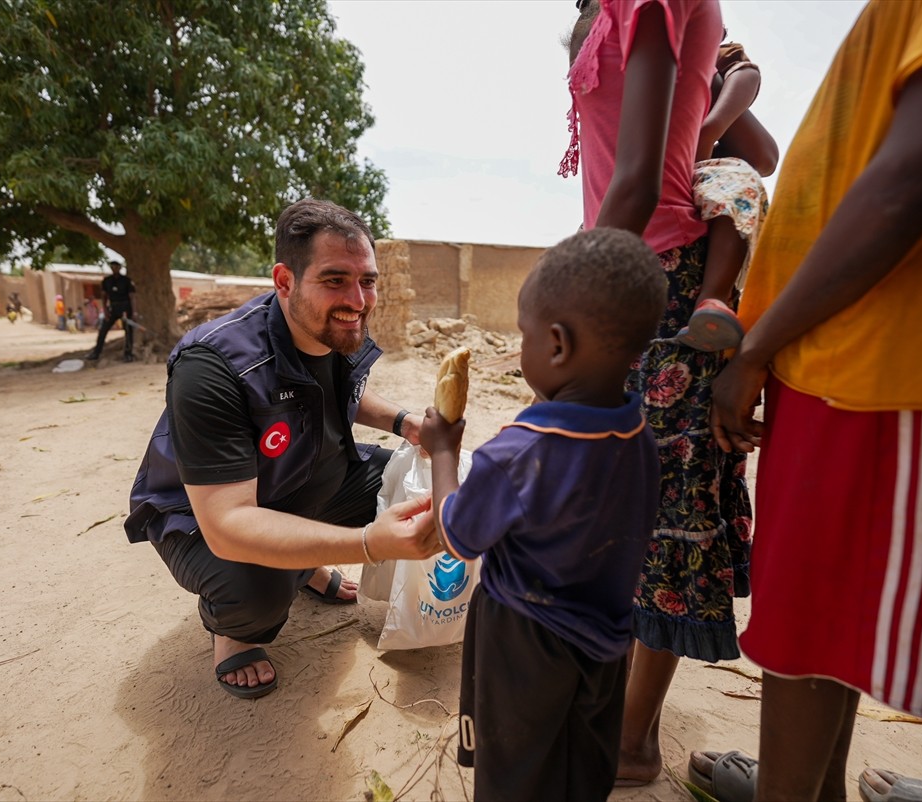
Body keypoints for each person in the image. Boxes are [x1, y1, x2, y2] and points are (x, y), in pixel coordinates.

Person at [693, 1, 922, 799]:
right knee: (805, 641)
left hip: (878, 362)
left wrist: (754, 350)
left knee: (825, 646)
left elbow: (917, 176)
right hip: (827, 352)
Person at [125, 198, 441, 700]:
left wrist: (404, 423)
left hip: (307, 480)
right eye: (335, 279)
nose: (358, 299)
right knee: (257, 592)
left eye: (368, 280)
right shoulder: (212, 365)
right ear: (285, 280)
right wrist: (366, 544)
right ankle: (231, 629)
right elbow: (229, 525)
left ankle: (303, 561)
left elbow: (344, 392)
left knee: (409, 483)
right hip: (202, 521)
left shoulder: (337, 324)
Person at [559, 0, 756, 786]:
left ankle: (634, 740)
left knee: (667, 521)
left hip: (656, 284)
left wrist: (569, 298)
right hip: (640, 274)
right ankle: (620, 718)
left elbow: (642, 179)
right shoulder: (620, 15)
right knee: (633, 515)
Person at [419, 227, 667, 802]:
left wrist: (443, 451)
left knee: (512, 771)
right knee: (583, 765)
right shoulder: (638, 437)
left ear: (556, 345)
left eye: (522, 335)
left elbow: (457, 534)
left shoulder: (518, 453)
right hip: (607, 641)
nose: (519, 347)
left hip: (522, 643)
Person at [675, 40, 776, 351]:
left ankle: (713, 297)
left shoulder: (707, 54)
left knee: (736, 185)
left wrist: (710, 129)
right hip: (668, 161)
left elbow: (746, 73)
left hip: (707, 160)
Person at [86, 260, 136, 362]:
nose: (114, 269)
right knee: (103, 330)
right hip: (112, 308)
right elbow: (104, 296)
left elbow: (132, 297)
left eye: (116, 267)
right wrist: (105, 310)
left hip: (125, 308)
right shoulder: (107, 281)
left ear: (120, 268)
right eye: (112, 267)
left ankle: (128, 354)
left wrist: (134, 311)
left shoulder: (126, 280)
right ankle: (96, 352)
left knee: (128, 331)